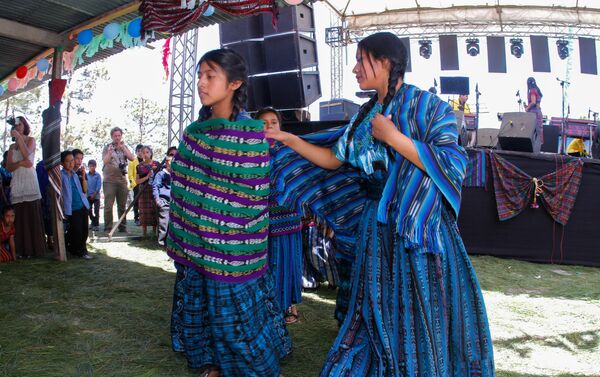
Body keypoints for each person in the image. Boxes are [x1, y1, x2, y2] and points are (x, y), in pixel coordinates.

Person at [266, 32, 494, 376]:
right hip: (376, 227)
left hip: (417, 231)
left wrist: (393, 137)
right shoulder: (365, 114)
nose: (355, 68)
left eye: (362, 60)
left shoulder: (426, 106)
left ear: (385, 62)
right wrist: (289, 139)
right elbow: (332, 158)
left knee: (422, 306)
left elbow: (452, 161)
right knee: (376, 305)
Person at [167, 48, 291, 376]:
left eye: (211, 76)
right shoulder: (196, 131)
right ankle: (211, 365)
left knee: (235, 322)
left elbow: (249, 194)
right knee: (199, 308)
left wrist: (212, 220)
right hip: (195, 247)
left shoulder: (250, 134)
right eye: (199, 75)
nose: (201, 83)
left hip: (232, 251)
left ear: (234, 83)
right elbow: (182, 183)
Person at [256, 107, 303, 325]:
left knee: (286, 261)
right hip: (259, 221)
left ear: (280, 126)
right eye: (264, 123)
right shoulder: (250, 153)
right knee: (264, 265)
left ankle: (289, 306)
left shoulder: (291, 150)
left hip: (288, 218)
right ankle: (264, 306)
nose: (269, 126)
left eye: (273, 122)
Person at [6, 116, 46, 258]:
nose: (18, 127)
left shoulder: (31, 140)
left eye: (20, 125)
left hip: (29, 181)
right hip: (17, 181)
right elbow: (9, 167)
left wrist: (20, 138)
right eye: (15, 125)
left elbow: (28, 160)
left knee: (31, 214)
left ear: (24, 126)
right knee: (20, 216)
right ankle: (22, 250)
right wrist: (19, 163)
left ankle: (35, 249)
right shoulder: (11, 147)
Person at [102, 127, 135, 233]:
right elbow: (105, 162)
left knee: (122, 205)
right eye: (115, 136)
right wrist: (110, 152)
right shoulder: (107, 147)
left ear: (121, 136)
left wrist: (123, 148)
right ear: (112, 136)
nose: (117, 137)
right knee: (108, 205)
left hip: (121, 180)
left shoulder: (124, 147)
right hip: (109, 181)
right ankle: (108, 227)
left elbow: (132, 158)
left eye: (119, 135)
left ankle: (122, 226)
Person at [60, 150, 91, 259]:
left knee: (84, 230)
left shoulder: (75, 174)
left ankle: (78, 249)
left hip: (82, 205)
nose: (71, 163)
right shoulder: (61, 175)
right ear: (62, 163)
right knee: (77, 230)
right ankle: (80, 251)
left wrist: (83, 176)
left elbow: (84, 190)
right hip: (72, 208)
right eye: (67, 161)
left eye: (72, 160)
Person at [135, 145, 158, 238]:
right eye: (143, 152)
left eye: (147, 152)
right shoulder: (139, 166)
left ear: (151, 153)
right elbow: (137, 181)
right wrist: (147, 177)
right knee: (143, 211)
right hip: (143, 191)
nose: (145, 154)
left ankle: (154, 231)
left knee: (154, 210)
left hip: (154, 190)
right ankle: (144, 232)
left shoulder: (157, 164)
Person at [152, 154, 172, 246]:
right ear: (167, 163)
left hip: (174, 201)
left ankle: (170, 242)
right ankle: (162, 242)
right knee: (164, 222)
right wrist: (157, 199)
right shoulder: (161, 174)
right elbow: (155, 186)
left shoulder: (175, 174)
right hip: (164, 201)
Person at [128, 144, 143, 226]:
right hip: (136, 184)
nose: (140, 153)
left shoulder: (147, 160)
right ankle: (136, 218)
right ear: (136, 152)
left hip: (145, 184)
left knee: (144, 201)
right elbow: (130, 175)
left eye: (142, 151)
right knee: (136, 201)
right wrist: (134, 184)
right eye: (139, 151)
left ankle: (143, 218)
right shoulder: (132, 161)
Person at [525, 76, 544, 143]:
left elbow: (533, 102)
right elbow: (536, 103)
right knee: (539, 129)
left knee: (532, 130)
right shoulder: (537, 90)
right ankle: (539, 145)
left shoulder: (532, 91)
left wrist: (527, 108)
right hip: (538, 112)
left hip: (533, 113)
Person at [86, 160, 102, 231]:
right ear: (88, 167)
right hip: (88, 196)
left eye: (93, 166)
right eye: (90, 166)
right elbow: (85, 185)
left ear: (95, 166)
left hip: (96, 196)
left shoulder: (98, 175)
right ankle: (93, 221)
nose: (91, 167)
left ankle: (96, 224)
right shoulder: (86, 175)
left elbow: (98, 186)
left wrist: (94, 194)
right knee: (88, 210)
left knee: (96, 210)